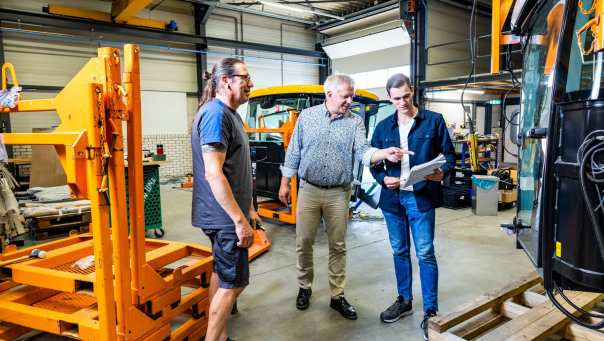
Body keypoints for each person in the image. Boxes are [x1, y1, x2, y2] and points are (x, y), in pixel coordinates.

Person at [278, 74, 406, 320]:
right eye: (346, 95)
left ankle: (337, 296)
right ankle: (304, 287)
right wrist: (285, 183)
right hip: (309, 190)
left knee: (338, 246)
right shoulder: (307, 117)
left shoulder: (355, 122)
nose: (350, 100)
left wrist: (383, 154)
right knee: (304, 241)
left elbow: (362, 151)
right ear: (329, 94)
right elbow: (293, 152)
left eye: (352, 95)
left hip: (339, 193)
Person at [369, 73, 455, 339]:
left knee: (426, 253)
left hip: (422, 196)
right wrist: (385, 179)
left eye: (406, 96)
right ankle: (404, 300)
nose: (403, 102)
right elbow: (372, 162)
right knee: (399, 251)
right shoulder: (383, 127)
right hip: (393, 200)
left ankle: (431, 310)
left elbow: (449, 155)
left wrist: (442, 172)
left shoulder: (433, 120)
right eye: (397, 98)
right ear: (389, 98)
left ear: (412, 91)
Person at [191, 57, 259, 341]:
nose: (251, 84)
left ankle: (217, 335)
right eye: (245, 78)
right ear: (226, 81)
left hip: (225, 215)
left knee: (222, 274)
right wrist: (239, 221)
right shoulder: (216, 115)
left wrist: (251, 208)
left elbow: (236, 168)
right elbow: (214, 175)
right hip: (224, 218)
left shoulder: (230, 114)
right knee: (233, 284)